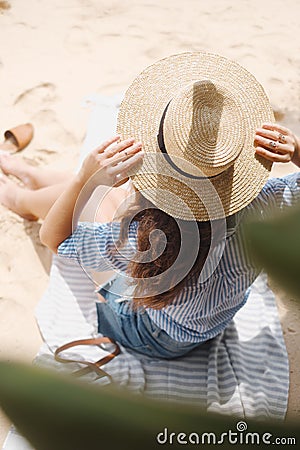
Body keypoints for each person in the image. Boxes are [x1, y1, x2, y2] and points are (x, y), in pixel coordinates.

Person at [1, 52, 300, 360]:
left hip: (153, 334)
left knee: (98, 199)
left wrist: (83, 178)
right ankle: (29, 176)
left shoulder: (144, 240)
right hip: (209, 321)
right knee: (110, 199)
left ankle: (16, 198)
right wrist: (297, 151)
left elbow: (54, 239)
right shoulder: (267, 206)